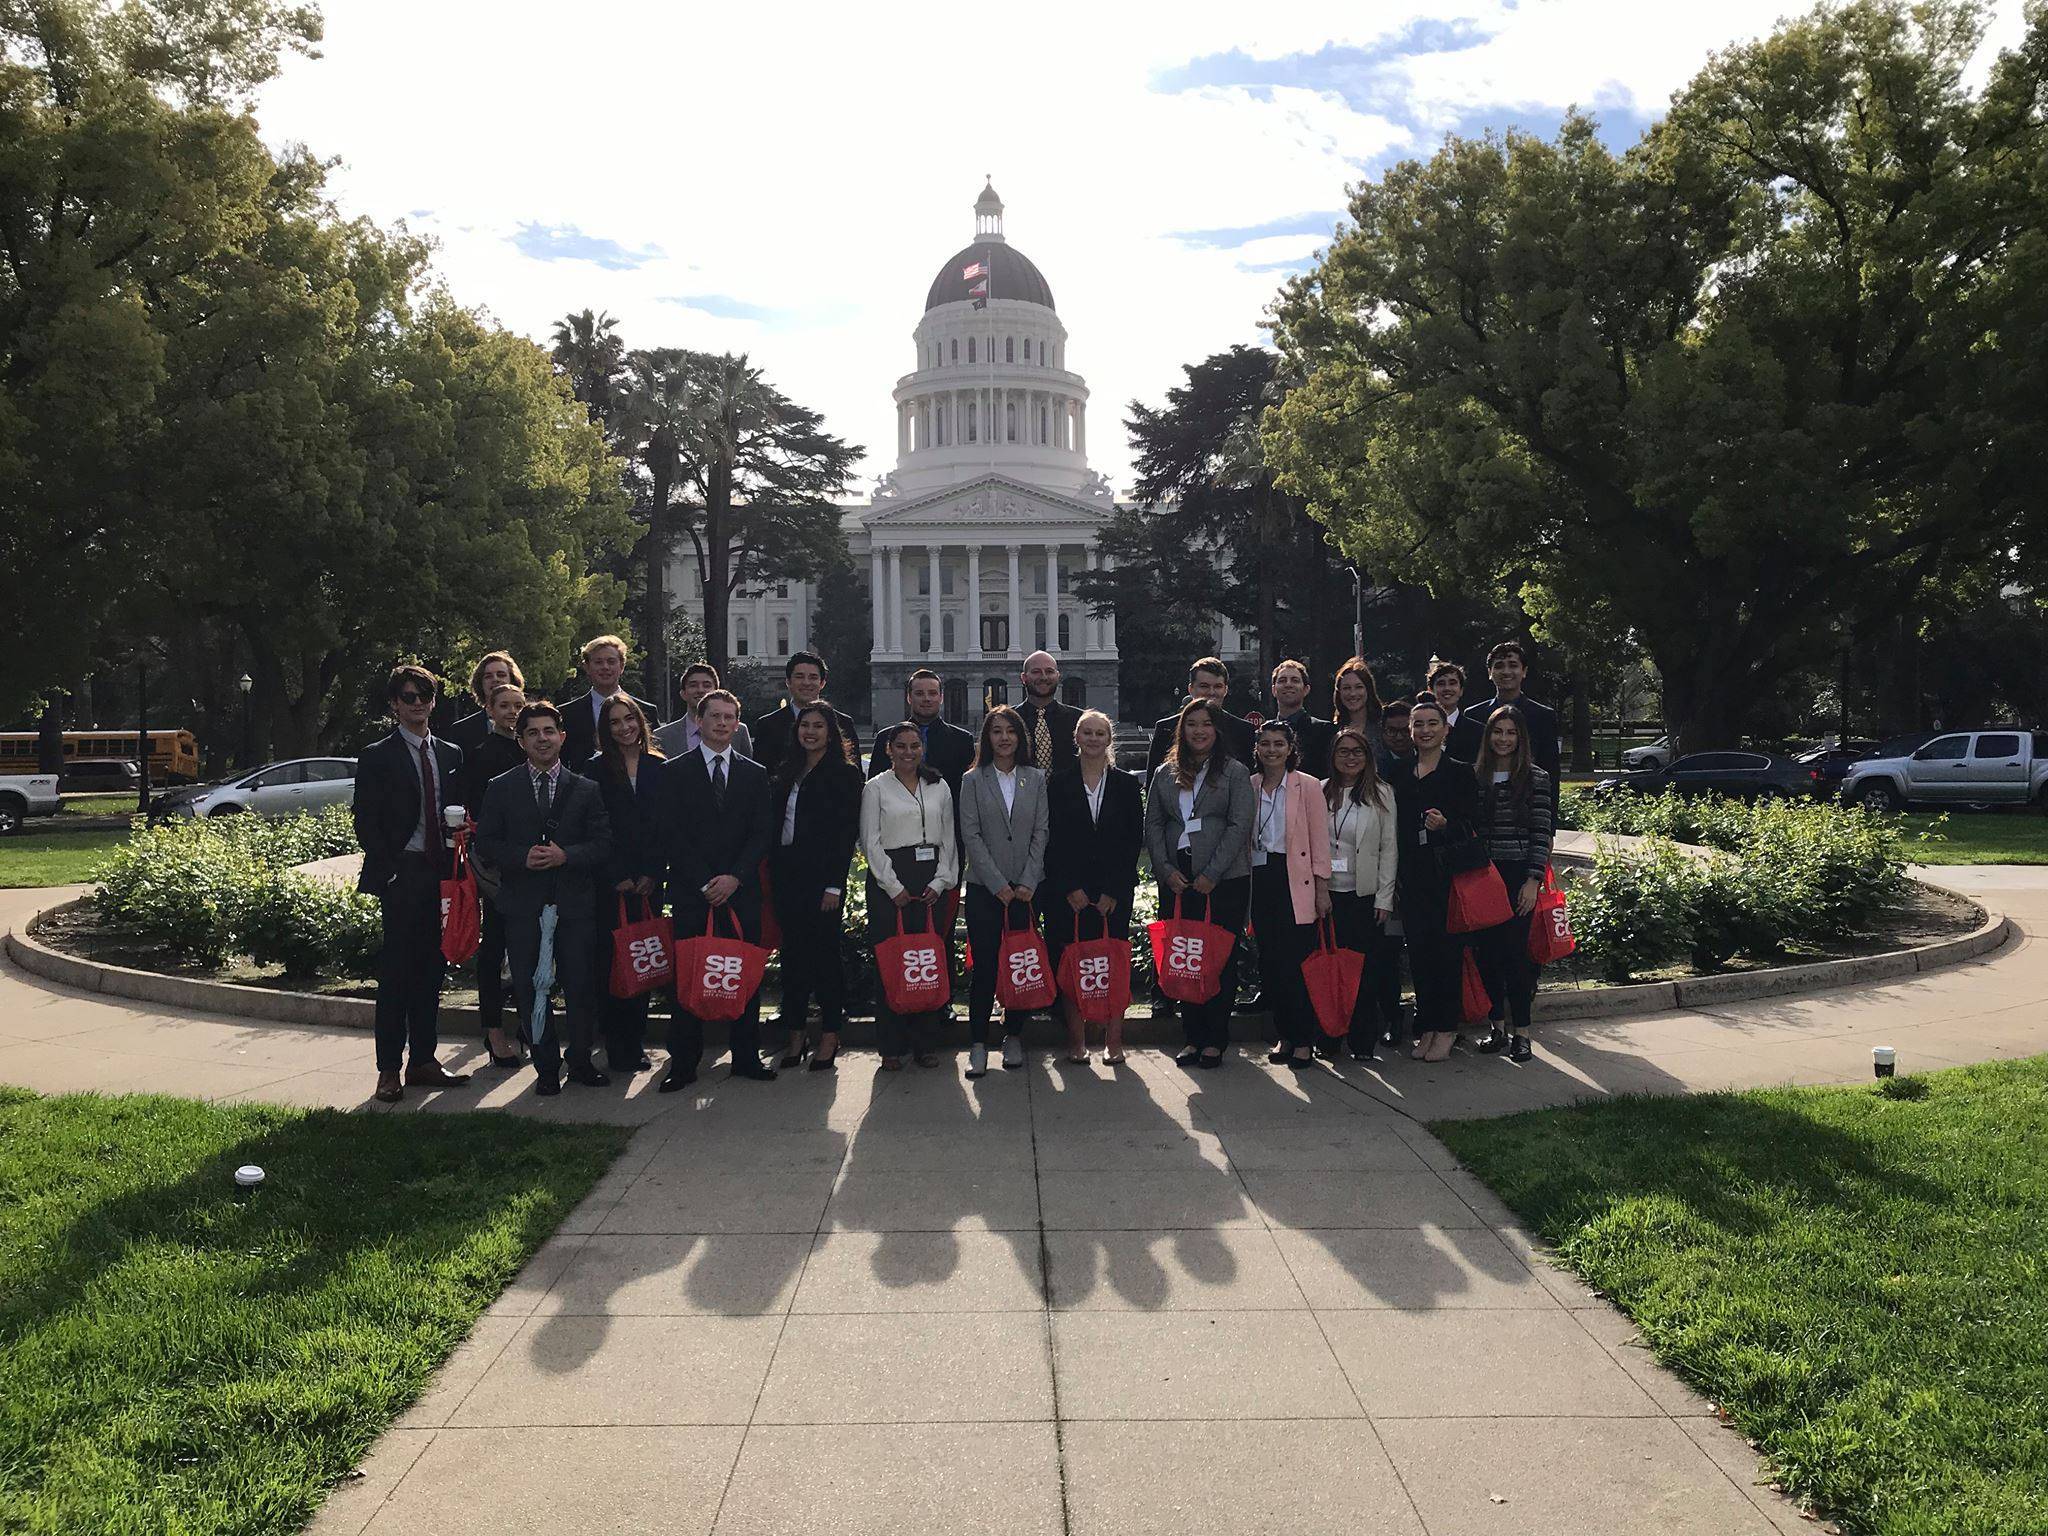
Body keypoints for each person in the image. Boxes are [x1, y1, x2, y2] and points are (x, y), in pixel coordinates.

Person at [476, 702, 614, 1094]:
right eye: (533, 732)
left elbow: (603, 844)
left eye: (549, 731)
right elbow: (486, 842)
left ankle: (582, 1059)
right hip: (523, 904)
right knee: (527, 986)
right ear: (521, 740)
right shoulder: (500, 787)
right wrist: (521, 857)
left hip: (574, 905)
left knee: (579, 984)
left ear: (562, 736)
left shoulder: (586, 789)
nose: (542, 739)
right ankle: (546, 1067)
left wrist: (565, 855)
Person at [352, 665, 472, 1104]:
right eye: (407, 696)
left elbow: (462, 808)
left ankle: (423, 1059)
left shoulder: (451, 754)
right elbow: (366, 820)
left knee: (432, 970)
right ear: (394, 705)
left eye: (424, 694)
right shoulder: (377, 755)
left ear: (434, 700)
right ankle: (388, 1070)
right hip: (403, 873)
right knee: (397, 973)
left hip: (443, 875)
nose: (417, 702)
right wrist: (390, 870)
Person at [658, 688, 776, 1089]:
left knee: (742, 975)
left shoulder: (754, 773)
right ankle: (683, 1064)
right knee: (689, 977)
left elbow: (762, 833)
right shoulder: (674, 771)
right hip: (695, 893)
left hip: (740, 892)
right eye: (715, 717)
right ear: (699, 721)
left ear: (737, 724)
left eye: (729, 718)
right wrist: (705, 880)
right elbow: (671, 834)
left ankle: (746, 1057)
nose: (722, 724)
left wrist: (735, 877)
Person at [1142, 699, 1254, 1070]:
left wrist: (1213, 874)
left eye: (1206, 724)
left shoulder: (1235, 772)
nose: (1199, 731)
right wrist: (1164, 869)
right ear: (1182, 730)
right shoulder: (1164, 772)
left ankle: (1214, 1039)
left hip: (1223, 880)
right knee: (1185, 958)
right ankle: (1192, 1036)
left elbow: (1239, 826)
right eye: (1192, 724)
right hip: (1179, 880)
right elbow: (1154, 824)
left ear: (1217, 729)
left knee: (1218, 959)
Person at [1045, 709, 1143, 1065]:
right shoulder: (1057, 783)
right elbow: (1051, 840)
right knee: (1073, 964)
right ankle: (1077, 1039)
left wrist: (1113, 891)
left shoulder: (1127, 785)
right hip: (1069, 893)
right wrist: (1069, 887)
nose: (1093, 739)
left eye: (1100, 733)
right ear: (1076, 738)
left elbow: (1134, 841)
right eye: (1087, 733)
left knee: (1112, 965)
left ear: (1109, 740)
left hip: (1112, 893)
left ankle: (1113, 1041)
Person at [769, 703, 863, 1071]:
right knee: (792, 957)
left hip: (822, 879)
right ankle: (795, 1031)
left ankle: (830, 1032)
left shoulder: (844, 774)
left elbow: (844, 836)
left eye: (818, 726)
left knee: (825, 957)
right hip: (787, 876)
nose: (810, 732)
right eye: (804, 725)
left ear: (831, 732)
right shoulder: (787, 770)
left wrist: (834, 886)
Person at [958, 704, 1051, 1078]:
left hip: (1027, 889)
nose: (1004, 738)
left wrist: (1028, 879)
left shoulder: (1036, 777)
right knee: (984, 966)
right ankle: (978, 1042)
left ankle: (1013, 1034)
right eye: (996, 731)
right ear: (987, 737)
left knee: (1020, 962)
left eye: (1010, 731)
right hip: (987, 889)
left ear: (1020, 737)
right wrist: (997, 883)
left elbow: (1041, 831)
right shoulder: (972, 780)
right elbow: (971, 835)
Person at [861, 723, 960, 1069]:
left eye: (914, 745)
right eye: (900, 746)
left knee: (927, 960)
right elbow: (870, 841)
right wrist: (892, 885)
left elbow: (949, 836)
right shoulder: (875, 788)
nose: (908, 752)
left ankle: (925, 1042)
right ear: (889, 750)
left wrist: (942, 880)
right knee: (892, 960)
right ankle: (891, 1045)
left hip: (931, 875)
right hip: (892, 875)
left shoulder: (939, 785)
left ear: (923, 748)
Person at [1389, 693, 1481, 1063]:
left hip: (1447, 878)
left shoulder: (1459, 771)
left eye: (1432, 723)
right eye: (1418, 724)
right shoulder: (1398, 773)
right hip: (1411, 876)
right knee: (1421, 956)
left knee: (1446, 955)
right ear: (1410, 731)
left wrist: (1447, 826)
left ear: (1445, 729)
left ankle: (1446, 1027)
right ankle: (1426, 1025)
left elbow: (1475, 823)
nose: (1425, 730)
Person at [585, 694, 667, 1077]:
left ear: (640, 721)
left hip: (650, 883)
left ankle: (635, 1042)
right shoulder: (595, 770)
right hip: (611, 882)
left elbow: (666, 827)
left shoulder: (659, 767)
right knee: (611, 962)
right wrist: (617, 873)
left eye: (629, 719)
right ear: (606, 729)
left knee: (643, 958)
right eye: (615, 722)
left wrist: (652, 871)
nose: (624, 727)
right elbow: (595, 826)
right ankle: (615, 1044)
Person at [1470, 705, 1555, 1064]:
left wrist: (1533, 880)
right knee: (1486, 956)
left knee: (1515, 959)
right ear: (1488, 737)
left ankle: (1522, 1032)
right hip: (1481, 876)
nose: (1503, 739)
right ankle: (1497, 1027)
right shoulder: (1476, 776)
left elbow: (1541, 832)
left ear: (1520, 738)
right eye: (1497, 732)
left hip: (1518, 874)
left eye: (1510, 733)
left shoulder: (1535, 777)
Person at [1246, 721, 1333, 1069]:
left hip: (1295, 880)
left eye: (1278, 744)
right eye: (1265, 744)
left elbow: (1319, 840)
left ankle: (1303, 1039)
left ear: (1289, 747)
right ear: (1257, 749)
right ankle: (1284, 1035)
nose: (1271, 750)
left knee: (1298, 964)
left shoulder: (1308, 785)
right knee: (1271, 963)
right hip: (1261, 878)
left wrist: (1322, 888)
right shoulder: (1250, 785)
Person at [458, 681, 528, 1067]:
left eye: (519, 704)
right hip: (500, 870)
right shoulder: (481, 755)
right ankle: (493, 1029)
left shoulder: (537, 748)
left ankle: (529, 1026)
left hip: (535, 867)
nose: (513, 711)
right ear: (489, 710)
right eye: (504, 705)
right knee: (495, 948)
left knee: (532, 952)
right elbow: (474, 815)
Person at [1323, 727, 1400, 1061]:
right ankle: (1328, 1038)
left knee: (1364, 972)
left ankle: (1362, 1040)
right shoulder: (1320, 791)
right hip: (1326, 896)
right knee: (1329, 971)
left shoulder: (1382, 794)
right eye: (1344, 751)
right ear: (1333, 756)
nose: (1350, 757)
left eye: (1357, 751)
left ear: (1368, 757)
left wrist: (1385, 897)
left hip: (1364, 895)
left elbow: (1389, 849)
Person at [1467, 641, 1561, 809]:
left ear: (1524, 671)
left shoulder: (1543, 715)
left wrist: (1550, 826)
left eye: (1513, 665)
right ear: (1490, 672)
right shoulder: (1474, 715)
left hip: (1527, 807)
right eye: (1499, 666)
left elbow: (1551, 771)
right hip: (1481, 807)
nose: (1506, 672)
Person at [867, 667, 975, 797]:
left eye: (932, 693)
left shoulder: (962, 740)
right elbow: (874, 790)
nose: (926, 699)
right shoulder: (885, 738)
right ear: (909, 698)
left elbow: (968, 793)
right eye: (919, 693)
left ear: (941, 698)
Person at [1146, 656, 1255, 776]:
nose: (1211, 692)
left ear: (1225, 690)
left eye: (1217, 686)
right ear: (1190, 689)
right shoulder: (1166, 728)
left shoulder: (1244, 731)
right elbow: (1153, 783)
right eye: (1204, 686)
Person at [752, 651, 856, 774]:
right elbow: (760, 777)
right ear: (788, 682)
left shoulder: (843, 723)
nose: (806, 683)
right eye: (799, 677)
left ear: (822, 683)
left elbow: (855, 775)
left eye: (813, 677)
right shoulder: (767, 725)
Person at [562, 635, 641, 772]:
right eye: (598, 662)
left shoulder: (645, 710)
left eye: (611, 662)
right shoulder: (567, 714)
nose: (605, 667)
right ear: (586, 667)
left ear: (622, 666)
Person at [654, 662, 754, 761]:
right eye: (693, 685)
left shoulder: (739, 732)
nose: (700, 690)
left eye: (706, 685)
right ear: (683, 694)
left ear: (716, 691)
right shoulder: (662, 736)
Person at [1014, 650, 1081, 773]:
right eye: (1036, 672)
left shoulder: (1079, 720)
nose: (1044, 677)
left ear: (1058, 676)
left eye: (1049, 671)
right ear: (1024, 678)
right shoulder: (1009, 719)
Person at [446, 651, 524, 754]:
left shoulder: (530, 723)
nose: (495, 679)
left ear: (513, 680)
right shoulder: (461, 730)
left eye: (501, 675)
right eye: (488, 676)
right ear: (480, 683)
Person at [1269, 660, 1336, 778]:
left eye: (1295, 680)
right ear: (1274, 690)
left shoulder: (1326, 731)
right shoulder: (1264, 733)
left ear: (1306, 689)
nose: (1288, 684)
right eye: (1282, 680)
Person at [1430, 658, 1483, 762]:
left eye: (1452, 683)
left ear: (1461, 690)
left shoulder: (1478, 731)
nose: (1447, 688)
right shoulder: (1419, 728)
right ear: (1431, 690)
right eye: (1441, 683)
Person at [1331, 655, 1383, 737]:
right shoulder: (1332, 731)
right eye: (1346, 688)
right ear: (1339, 692)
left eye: (1359, 687)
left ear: (1368, 690)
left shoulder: (1384, 726)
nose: (1353, 694)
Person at [1378, 697, 1416, 774]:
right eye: (1391, 731)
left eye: (1406, 731)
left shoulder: (1430, 761)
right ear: (1382, 731)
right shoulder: (1373, 766)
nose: (1399, 737)